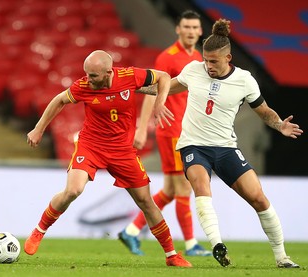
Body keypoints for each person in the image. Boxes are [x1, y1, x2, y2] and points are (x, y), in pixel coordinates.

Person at [24, 50, 192, 267]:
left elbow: (164, 77)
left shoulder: (129, 77)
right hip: (91, 146)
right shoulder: (84, 86)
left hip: (122, 151)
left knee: (145, 202)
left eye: (93, 75)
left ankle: (171, 255)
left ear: (108, 71)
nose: (88, 79)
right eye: (87, 74)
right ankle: (39, 230)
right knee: (73, 190)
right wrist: (38, 129)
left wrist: (160, 102)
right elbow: (59, 100)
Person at [161, 19, 303, 268]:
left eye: (213, 61)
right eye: (206, 60)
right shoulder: (193, 70)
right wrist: (132, 87)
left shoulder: (245, 80)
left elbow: (263, 110)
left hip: (226, 148)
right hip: (194, 146)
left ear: (228, 57)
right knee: (201, 186)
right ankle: (217, 245)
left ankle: (282, 257)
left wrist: (280, 124)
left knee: (258, 198)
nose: (208, 66)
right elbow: (166, 87)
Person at [118, 10, 211, 257]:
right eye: (186, 27)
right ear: (178, 30)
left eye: (195, 28)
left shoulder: (200, 57)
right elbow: (151, 91)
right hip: (172, 131)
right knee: (184, 187)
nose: (191, 31)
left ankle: (131, 231)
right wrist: (141, 128)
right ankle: (191, 245)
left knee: (171, 190)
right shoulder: (167, 57)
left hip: (187, 130)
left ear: (200, 31)